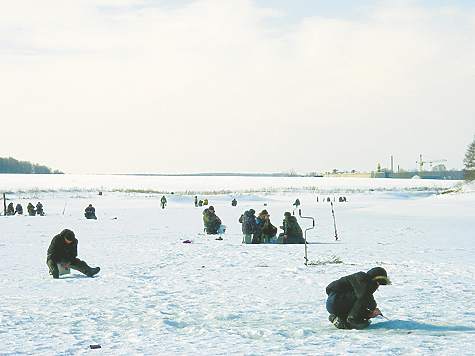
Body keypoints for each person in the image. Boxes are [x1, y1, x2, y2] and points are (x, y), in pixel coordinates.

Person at [325, 267, 392, 330]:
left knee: (363, 300)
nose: (378, 286)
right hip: (337, 301)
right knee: (364, 298)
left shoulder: (359, 280)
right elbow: (363, 296)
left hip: (332, 302)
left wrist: (369, 314)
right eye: (378, 283)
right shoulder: (362, 279)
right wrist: (373, 308)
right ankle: (353, 320)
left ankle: (337, 318)